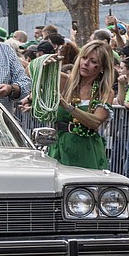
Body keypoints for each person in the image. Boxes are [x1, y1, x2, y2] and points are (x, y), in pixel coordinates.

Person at [46, 41, 116, 170]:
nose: (86, 63)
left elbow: (95, 122)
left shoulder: (104, 92)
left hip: (87, 151)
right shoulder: (64, 81)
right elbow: (30, 72)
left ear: (102, 68)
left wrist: (67, 107)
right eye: (84, 57)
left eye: (93, 61)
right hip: (59, 147)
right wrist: (43, 62)